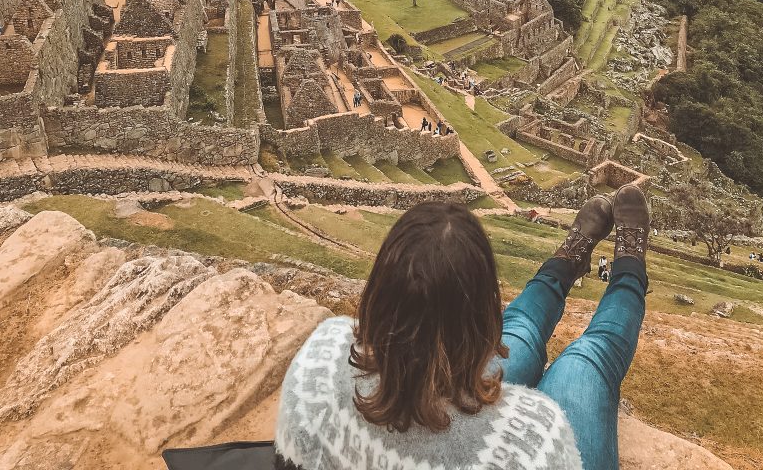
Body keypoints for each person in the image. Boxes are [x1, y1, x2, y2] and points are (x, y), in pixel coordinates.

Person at [275, 186, 650, 470]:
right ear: (487, 323)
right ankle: (629, 265)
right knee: (585, 358)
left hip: (404, 392)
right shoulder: (540, 433)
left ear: (376, 293)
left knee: (524, 333)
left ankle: (569, 259)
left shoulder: (320, 356)